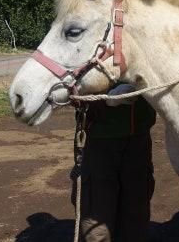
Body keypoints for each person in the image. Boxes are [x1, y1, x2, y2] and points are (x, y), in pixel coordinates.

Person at [71, 83, 156, 242]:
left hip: (138, 137)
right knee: (96, 209)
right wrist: (106, 100)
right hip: (99, 138)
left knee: (136, 205)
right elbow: (72, 89)